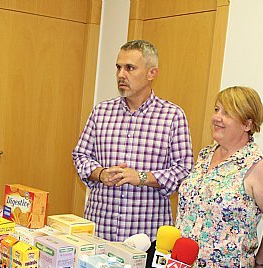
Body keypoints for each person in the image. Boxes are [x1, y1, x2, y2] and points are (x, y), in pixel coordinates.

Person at [72, 39, 193, 244]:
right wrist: (101, 174)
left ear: (151, 73)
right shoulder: (101, 111)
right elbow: (80, 155)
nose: (121, 74)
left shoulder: (173, 116)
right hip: (100, 232)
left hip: (147, 237)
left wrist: (143, 177)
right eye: (118, 67)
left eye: (130, 68)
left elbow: (184, 171)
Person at [175, 86, 263, 268]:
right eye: (217, 109)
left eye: (227, 113)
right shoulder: (206, 154)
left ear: (248, 124)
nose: (217, 118)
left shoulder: (259, 166)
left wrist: (259, 262)